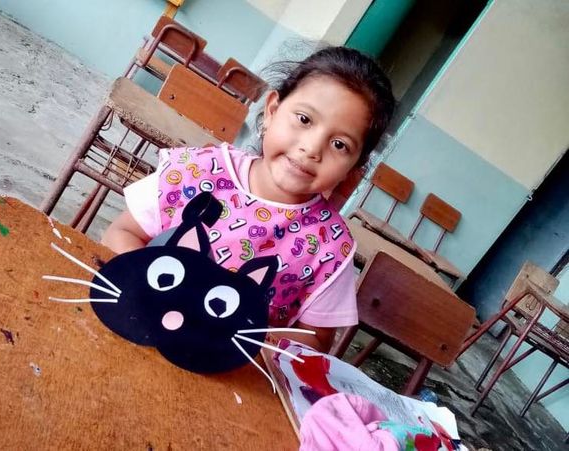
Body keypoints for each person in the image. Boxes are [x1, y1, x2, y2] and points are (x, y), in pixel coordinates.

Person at [102, 46, 394, 353]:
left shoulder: (330, 246)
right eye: (304, 119)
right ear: (272, 111)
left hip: (222, 368)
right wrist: (149, 289)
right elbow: (121, 233)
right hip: (135, 333)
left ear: (354, 168)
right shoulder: (196, 171)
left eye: (340, 144)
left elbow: (317, 341)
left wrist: (244, 334)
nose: (311, 148)